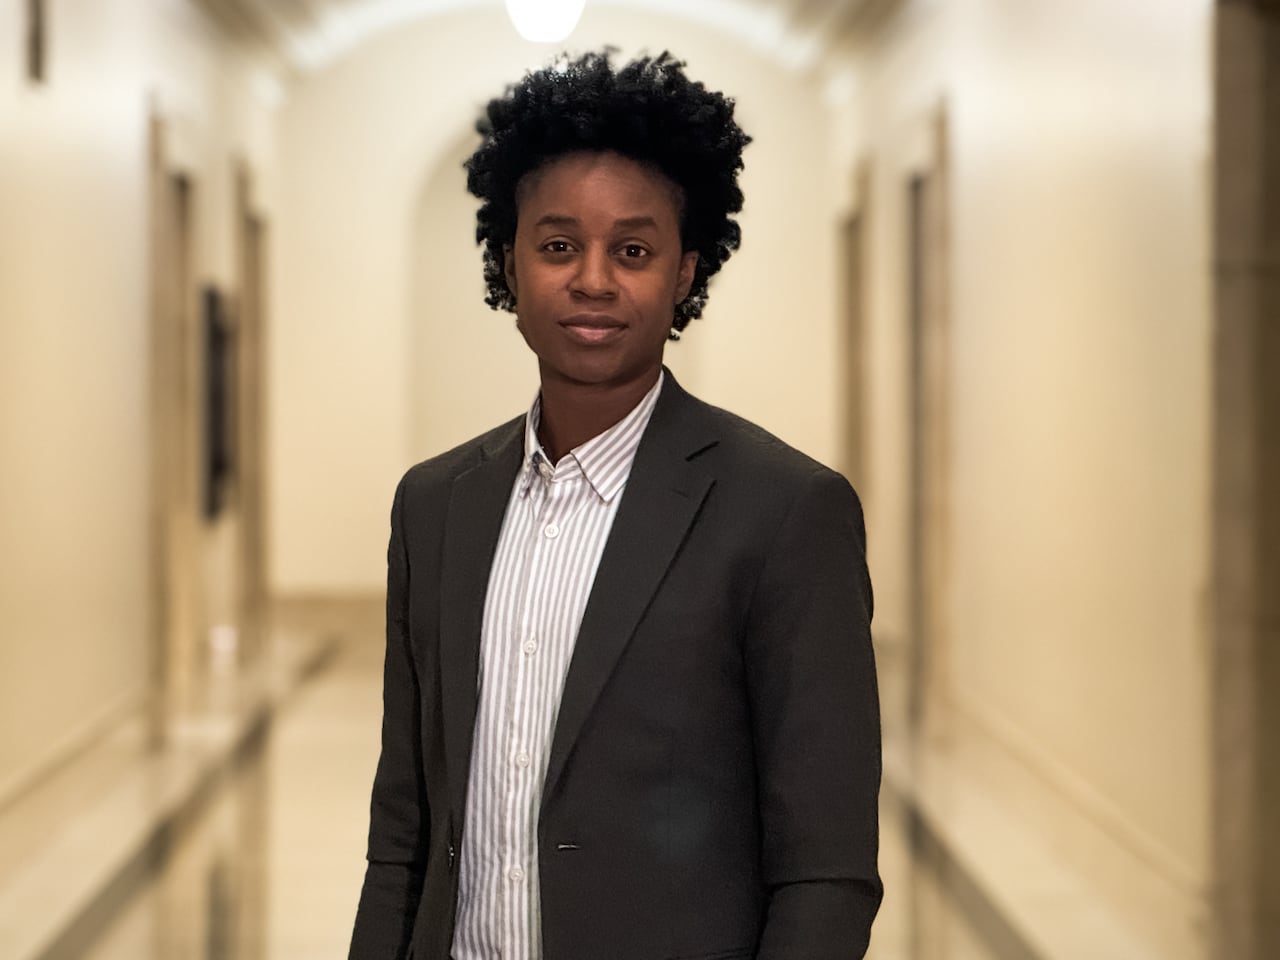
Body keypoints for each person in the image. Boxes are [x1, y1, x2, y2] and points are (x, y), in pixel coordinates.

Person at [349, 50, 881, 960]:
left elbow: (825, 870)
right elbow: (405, 826)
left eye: (632, 250)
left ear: (684, 271)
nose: (593, 280)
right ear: (508, 261)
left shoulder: (786, 512)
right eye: (558, 245)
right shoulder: (434, 506)